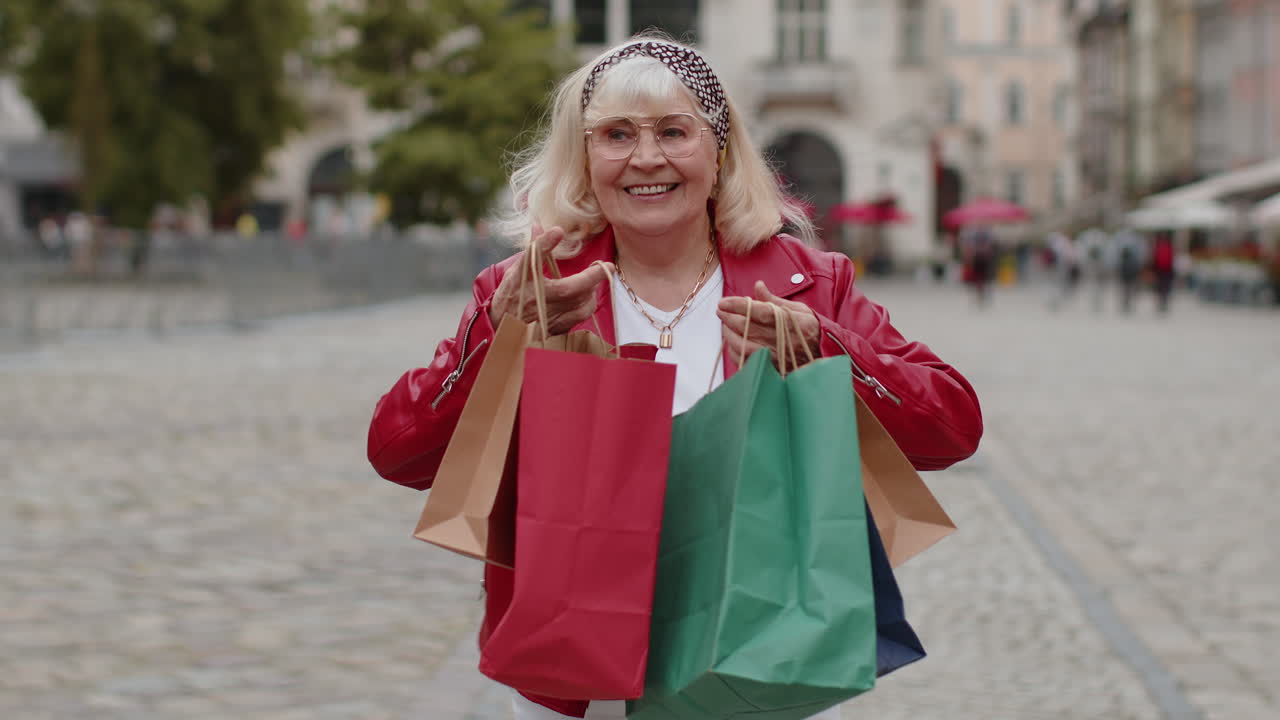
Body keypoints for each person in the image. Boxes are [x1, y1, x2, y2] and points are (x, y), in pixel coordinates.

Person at [366, 36, 983, 720]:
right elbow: (400, 454)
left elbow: (952, 429)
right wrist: (497, 334)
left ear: (718, 153)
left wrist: (829, 349)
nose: (646, 158)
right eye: (617, 135)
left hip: (766, 657)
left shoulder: (805, 285)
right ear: (584, 156)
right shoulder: (532, 288)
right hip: (576, 670)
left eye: (673, 131)